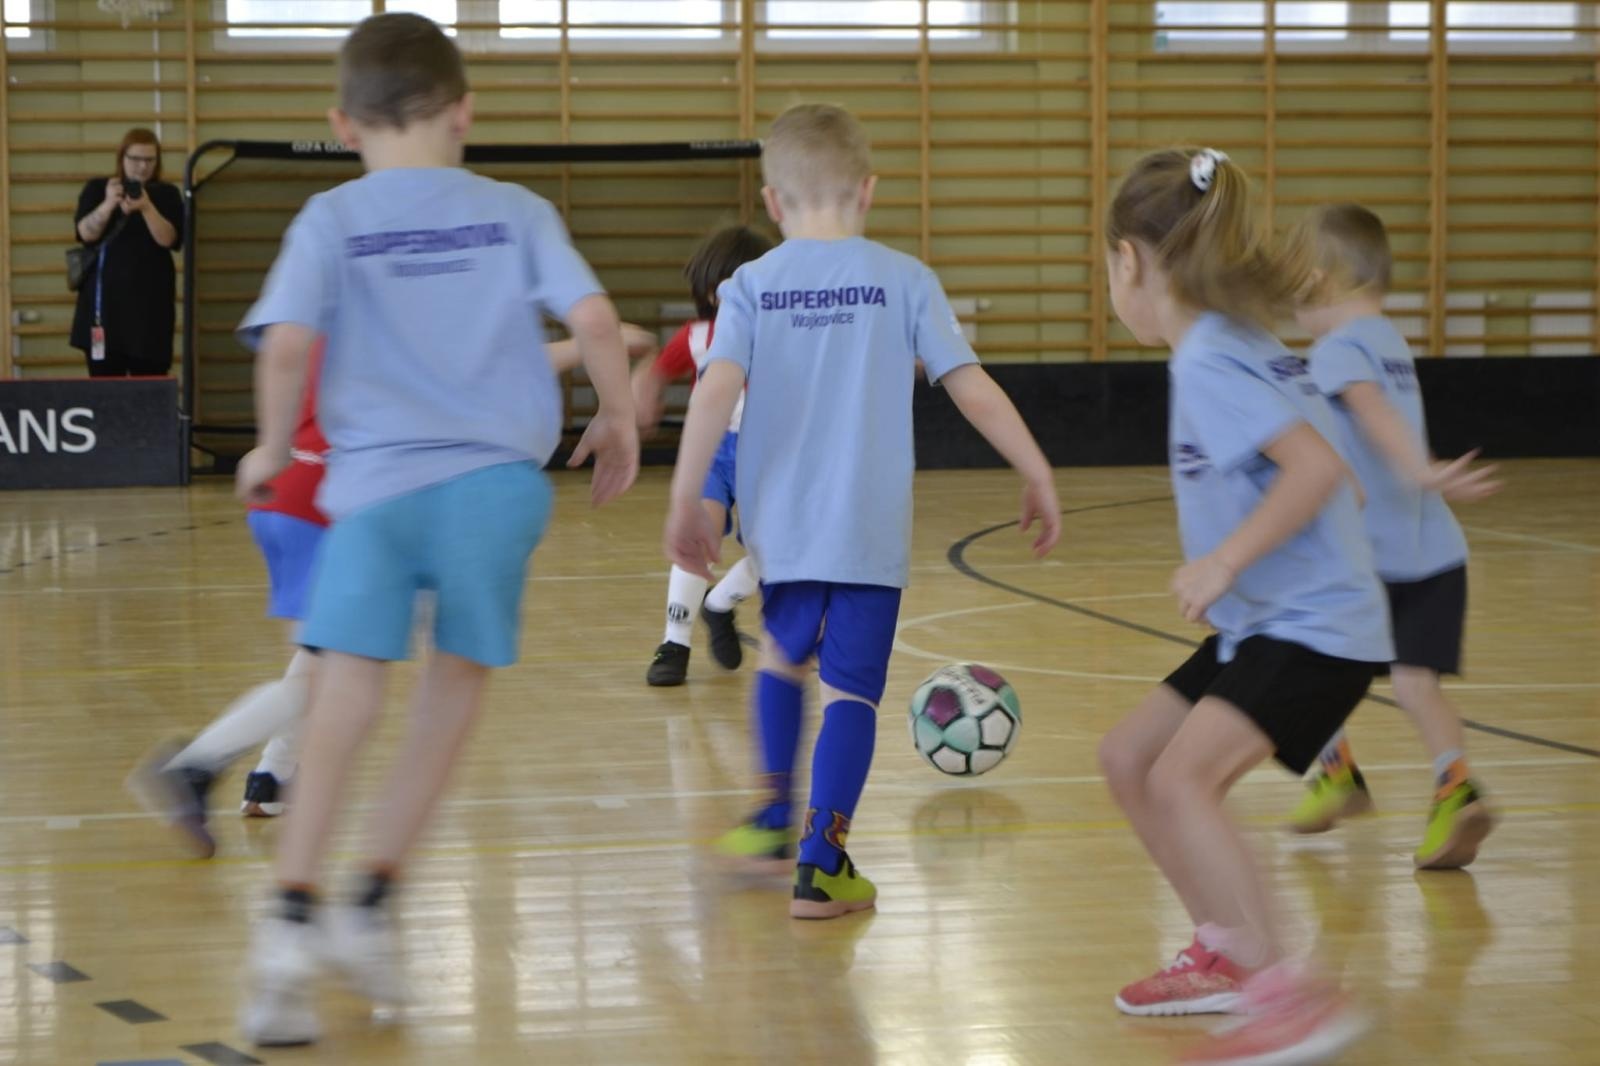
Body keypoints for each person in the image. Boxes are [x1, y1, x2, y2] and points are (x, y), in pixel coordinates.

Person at [230, 13, 638, 1046]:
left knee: (346, 689)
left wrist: (274, 447)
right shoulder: (515, 208)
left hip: (369, 493)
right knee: (453, 687)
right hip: (495, 490)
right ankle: (372, 901)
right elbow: (593, 322)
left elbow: (285, 342)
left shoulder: (329, 215)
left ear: (342, 122)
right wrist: (620, 416)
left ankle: (286, 934)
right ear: (463, 112)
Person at [664, 103, 1061, 920]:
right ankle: (823, 860)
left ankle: (773, 815)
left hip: (784, 528)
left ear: (772, 203)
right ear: (869, 191)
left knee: (782, 658)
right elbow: (971, 387)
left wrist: (684, 496)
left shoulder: (750, 284)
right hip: (868, 531)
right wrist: (1036, 467)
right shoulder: (906, 278)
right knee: (849, 692)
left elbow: (715, 391)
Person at [1094, 148, 1385, 1063]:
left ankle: (1287, 995)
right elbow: (1348, 485)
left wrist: (1225, 559)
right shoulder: (1238, 342)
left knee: (1182, 781)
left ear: (1132, 262)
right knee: (1129, 757)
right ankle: (1224, 951)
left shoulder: (1213, 360)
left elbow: (1319, 470)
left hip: (1316, 628)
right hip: (1278, 619)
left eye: (1106, 264)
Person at [1284, 204, 1501, 869]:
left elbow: (1370, 414)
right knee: (1416, 686)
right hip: (1434, 556)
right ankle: (1453, 787)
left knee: (1301, 663)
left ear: (1317, 284)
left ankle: (1335, 770)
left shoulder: (1337, 351)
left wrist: (1420, 470)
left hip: (1369, 561)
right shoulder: (1388, 340)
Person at [126, 342, 331, 855]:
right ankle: (194, 767)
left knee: (321, 660)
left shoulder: (327, 320)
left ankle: (269, 780)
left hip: (285, 495)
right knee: (341, 672)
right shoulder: (390, 322)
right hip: (322, 507)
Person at [637, 225, 774, 687]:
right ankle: (674, 642)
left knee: (777, 552)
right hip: (713, 453)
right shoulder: (697, 336)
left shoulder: (784, 335)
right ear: (709, 292)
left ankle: (719, 605)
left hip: (770, 455)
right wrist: (644, 393)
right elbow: (658, 371)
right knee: (699, 540)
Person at [72, 128, 184, 377]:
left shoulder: (167, 194)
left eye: (149, 160)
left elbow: (169, 239)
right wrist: (109, 203)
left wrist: (146, 207)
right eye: (135, 159)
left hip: (150, 314)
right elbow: (86, 233)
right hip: (103, 311)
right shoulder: (98, 188)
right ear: (122, 158)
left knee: (149, 391)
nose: (142, 167)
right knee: (104, 392)